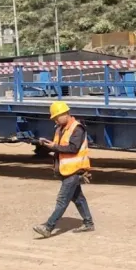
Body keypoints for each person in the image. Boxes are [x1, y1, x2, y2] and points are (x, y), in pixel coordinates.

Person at [33, 101, 95, 238]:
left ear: (66, 114)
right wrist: (47, 145)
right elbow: (59, 147)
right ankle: (88, 223)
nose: (55, 119)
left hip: (74, 170)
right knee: (78, 198)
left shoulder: (77, 128)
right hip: (65, 170)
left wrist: (53, 147)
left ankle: (48, 227)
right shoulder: (60, 128)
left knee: (62, 200)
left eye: (57, 117)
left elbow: (73, 148)